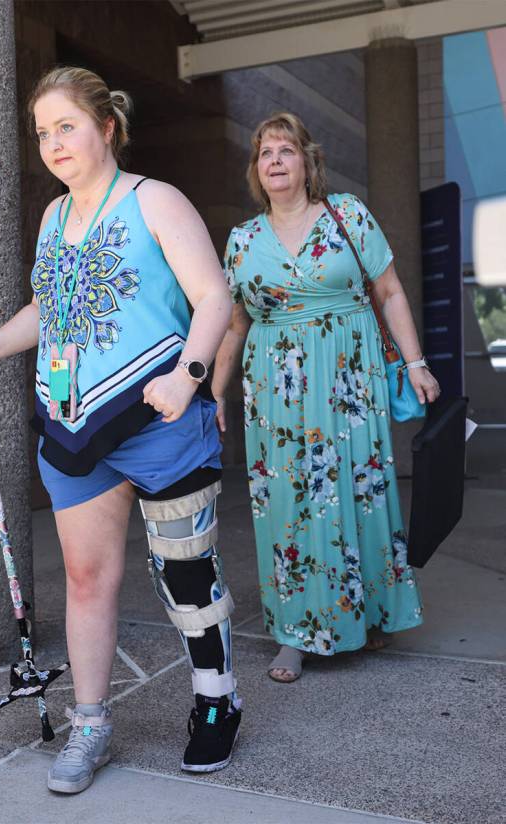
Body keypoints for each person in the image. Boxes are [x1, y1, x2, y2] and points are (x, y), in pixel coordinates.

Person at [0, 67, 242, 793]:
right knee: (86, 579)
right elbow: (50, 309)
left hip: (163, 418)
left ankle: (216, 700)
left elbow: (214, 296)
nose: (53, 142)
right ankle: (90, 726)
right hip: (77, 426)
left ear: (106, 127)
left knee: (187, 579)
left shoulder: (156, 202)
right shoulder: (54, 219)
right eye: (43, 132)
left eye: (67, 126)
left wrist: (191, 375)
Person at [212, 112, 440, 683]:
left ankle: (369, 613)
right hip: (277, 396)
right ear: (256, 169)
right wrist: (212, 393)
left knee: (358, 493)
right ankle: (295, 632)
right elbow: (234, 326)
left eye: (285, 150)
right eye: (265, 153)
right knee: (288, 503)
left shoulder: (349, 216)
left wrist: (415, 363)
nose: (275, 161)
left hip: (349, 384)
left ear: (306, 161)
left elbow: (388, 292)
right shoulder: (242, 241)